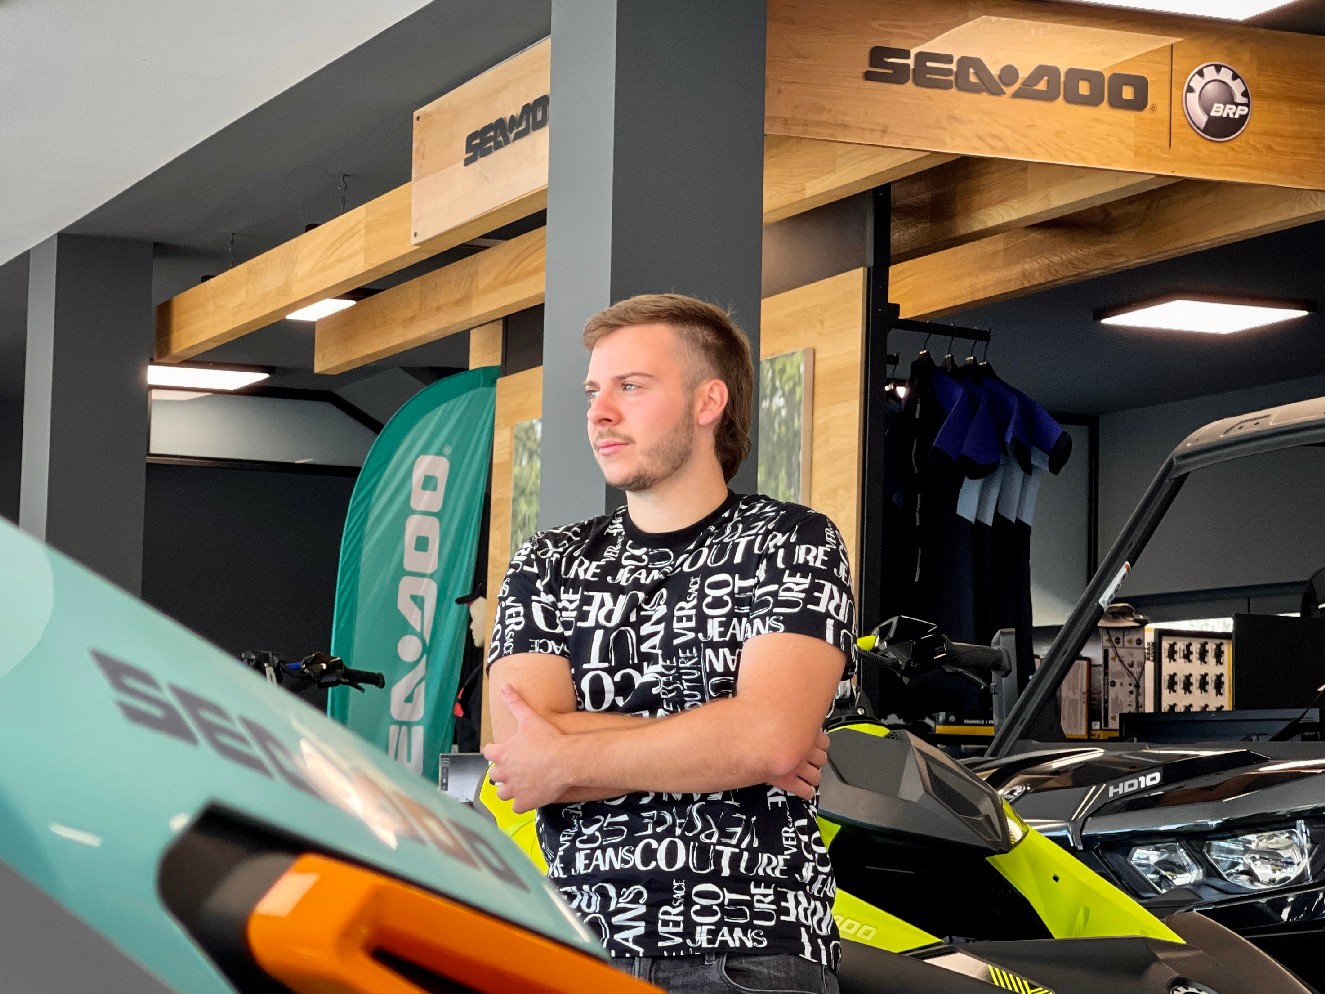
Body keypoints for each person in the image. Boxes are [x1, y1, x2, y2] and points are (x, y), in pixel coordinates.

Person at [483, 293, 856, 994]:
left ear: (707, 401)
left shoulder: (792, 542)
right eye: (593, 391)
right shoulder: (549, 562)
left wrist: (568, 753)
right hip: (575, 943)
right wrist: (730, 741)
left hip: (750, 945)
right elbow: (521, 751)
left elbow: (769, 740)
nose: (599, 412)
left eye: (630, 386)